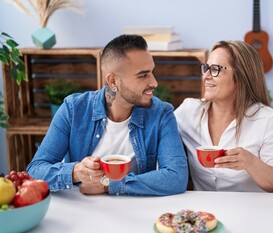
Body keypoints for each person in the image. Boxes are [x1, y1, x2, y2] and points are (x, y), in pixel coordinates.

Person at [27, 34, 188, 196]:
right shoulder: (73, 109)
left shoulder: (161, 113)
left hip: (136, 209)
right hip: (82, 209)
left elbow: (176, 177)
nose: (154, 82)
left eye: (152, 72)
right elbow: (35, 170)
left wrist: (109, 185)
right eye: (143, 75)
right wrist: (76, 172)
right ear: (113, 81)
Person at [174, 40, 273, 193]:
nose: (206, 76)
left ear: (241, 77)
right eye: (206, 68)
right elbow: (157, 130)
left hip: (252, 212)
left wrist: (250, 162)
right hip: (205, 214)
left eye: (215, 69)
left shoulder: (268, 119)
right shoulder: (188, 112)